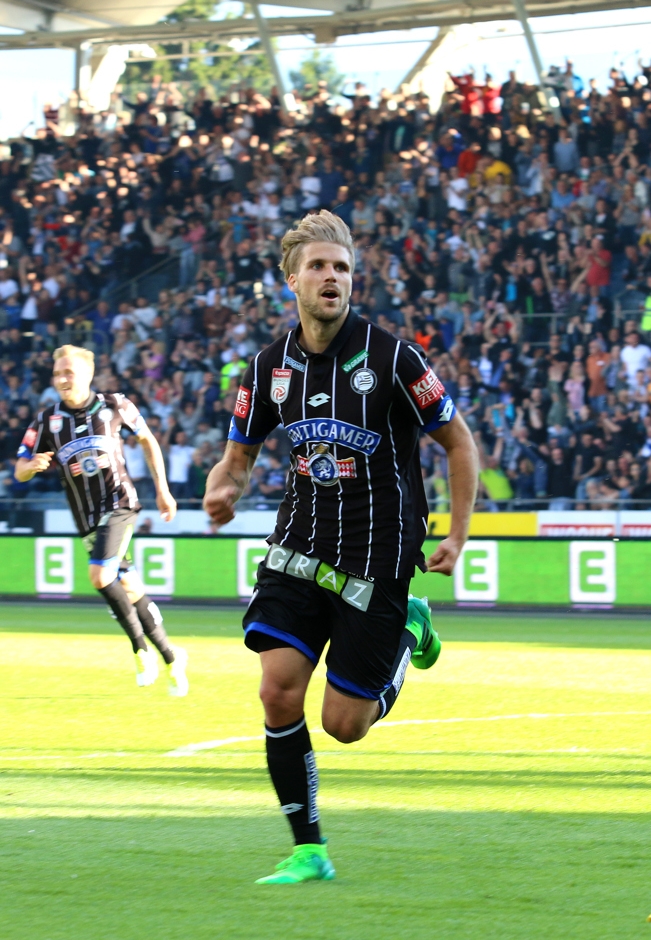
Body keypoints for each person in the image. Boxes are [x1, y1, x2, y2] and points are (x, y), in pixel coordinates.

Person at [203, 211, 478, 884]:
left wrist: (458, 534)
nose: (332, 278)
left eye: (343, 268)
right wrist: (222, 487)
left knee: (344, 725)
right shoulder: (267, 368)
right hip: (299, 544)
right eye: (320, 267)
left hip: (377, 555)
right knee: (276, 692)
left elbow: (457, 442)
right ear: (290, 279)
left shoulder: (392, 357)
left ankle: (407, 627)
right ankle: (308, 849)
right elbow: (237, 457)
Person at [14, 345, 189, 696]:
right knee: (131, 589)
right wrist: (30, 468)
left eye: (69, 372)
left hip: (120, 505)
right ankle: (172, 657)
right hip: (86, 519)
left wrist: (163, 490)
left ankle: (140, 650)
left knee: (100, 574)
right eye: (57, 373)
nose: (62, 379)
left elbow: (147, 440)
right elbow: (19, 468)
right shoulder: (46, 420)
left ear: (88, 375)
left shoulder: (114, 405)